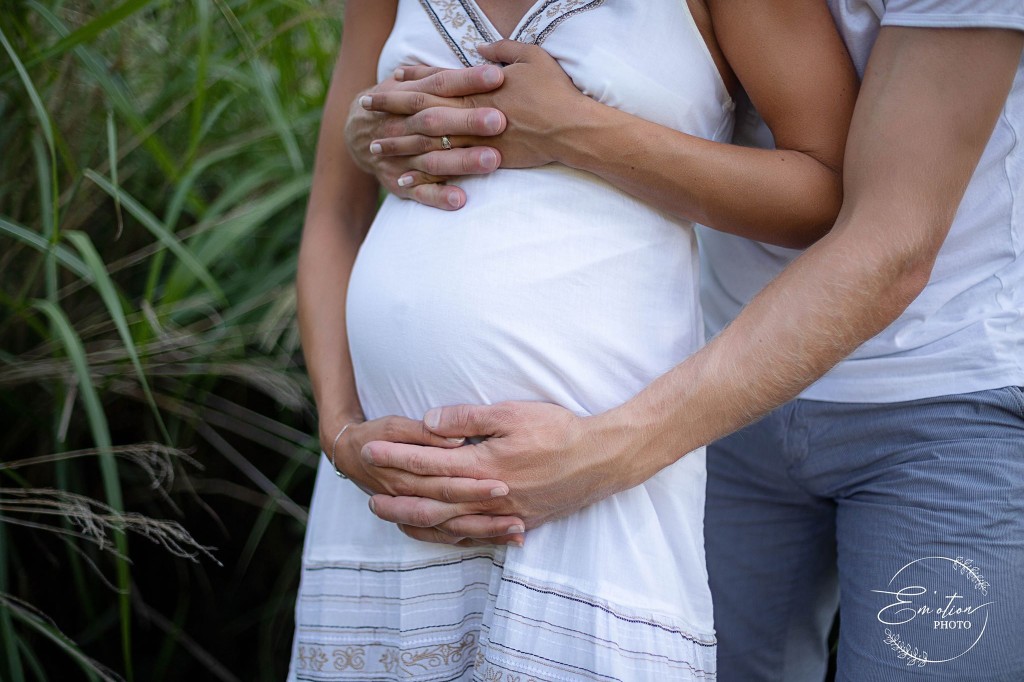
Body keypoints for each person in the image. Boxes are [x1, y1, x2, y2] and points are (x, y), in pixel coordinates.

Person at [344, 2, 1024, 680]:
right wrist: (380, 129)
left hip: (941, 396)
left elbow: (890, 244)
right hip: (728, 383)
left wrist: (603, 454)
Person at [291, 0, 858, 679]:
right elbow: (334, 213)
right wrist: (341, 431)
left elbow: (826, 189)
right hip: (385, 494)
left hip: (594, 480)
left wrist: (574, 129)